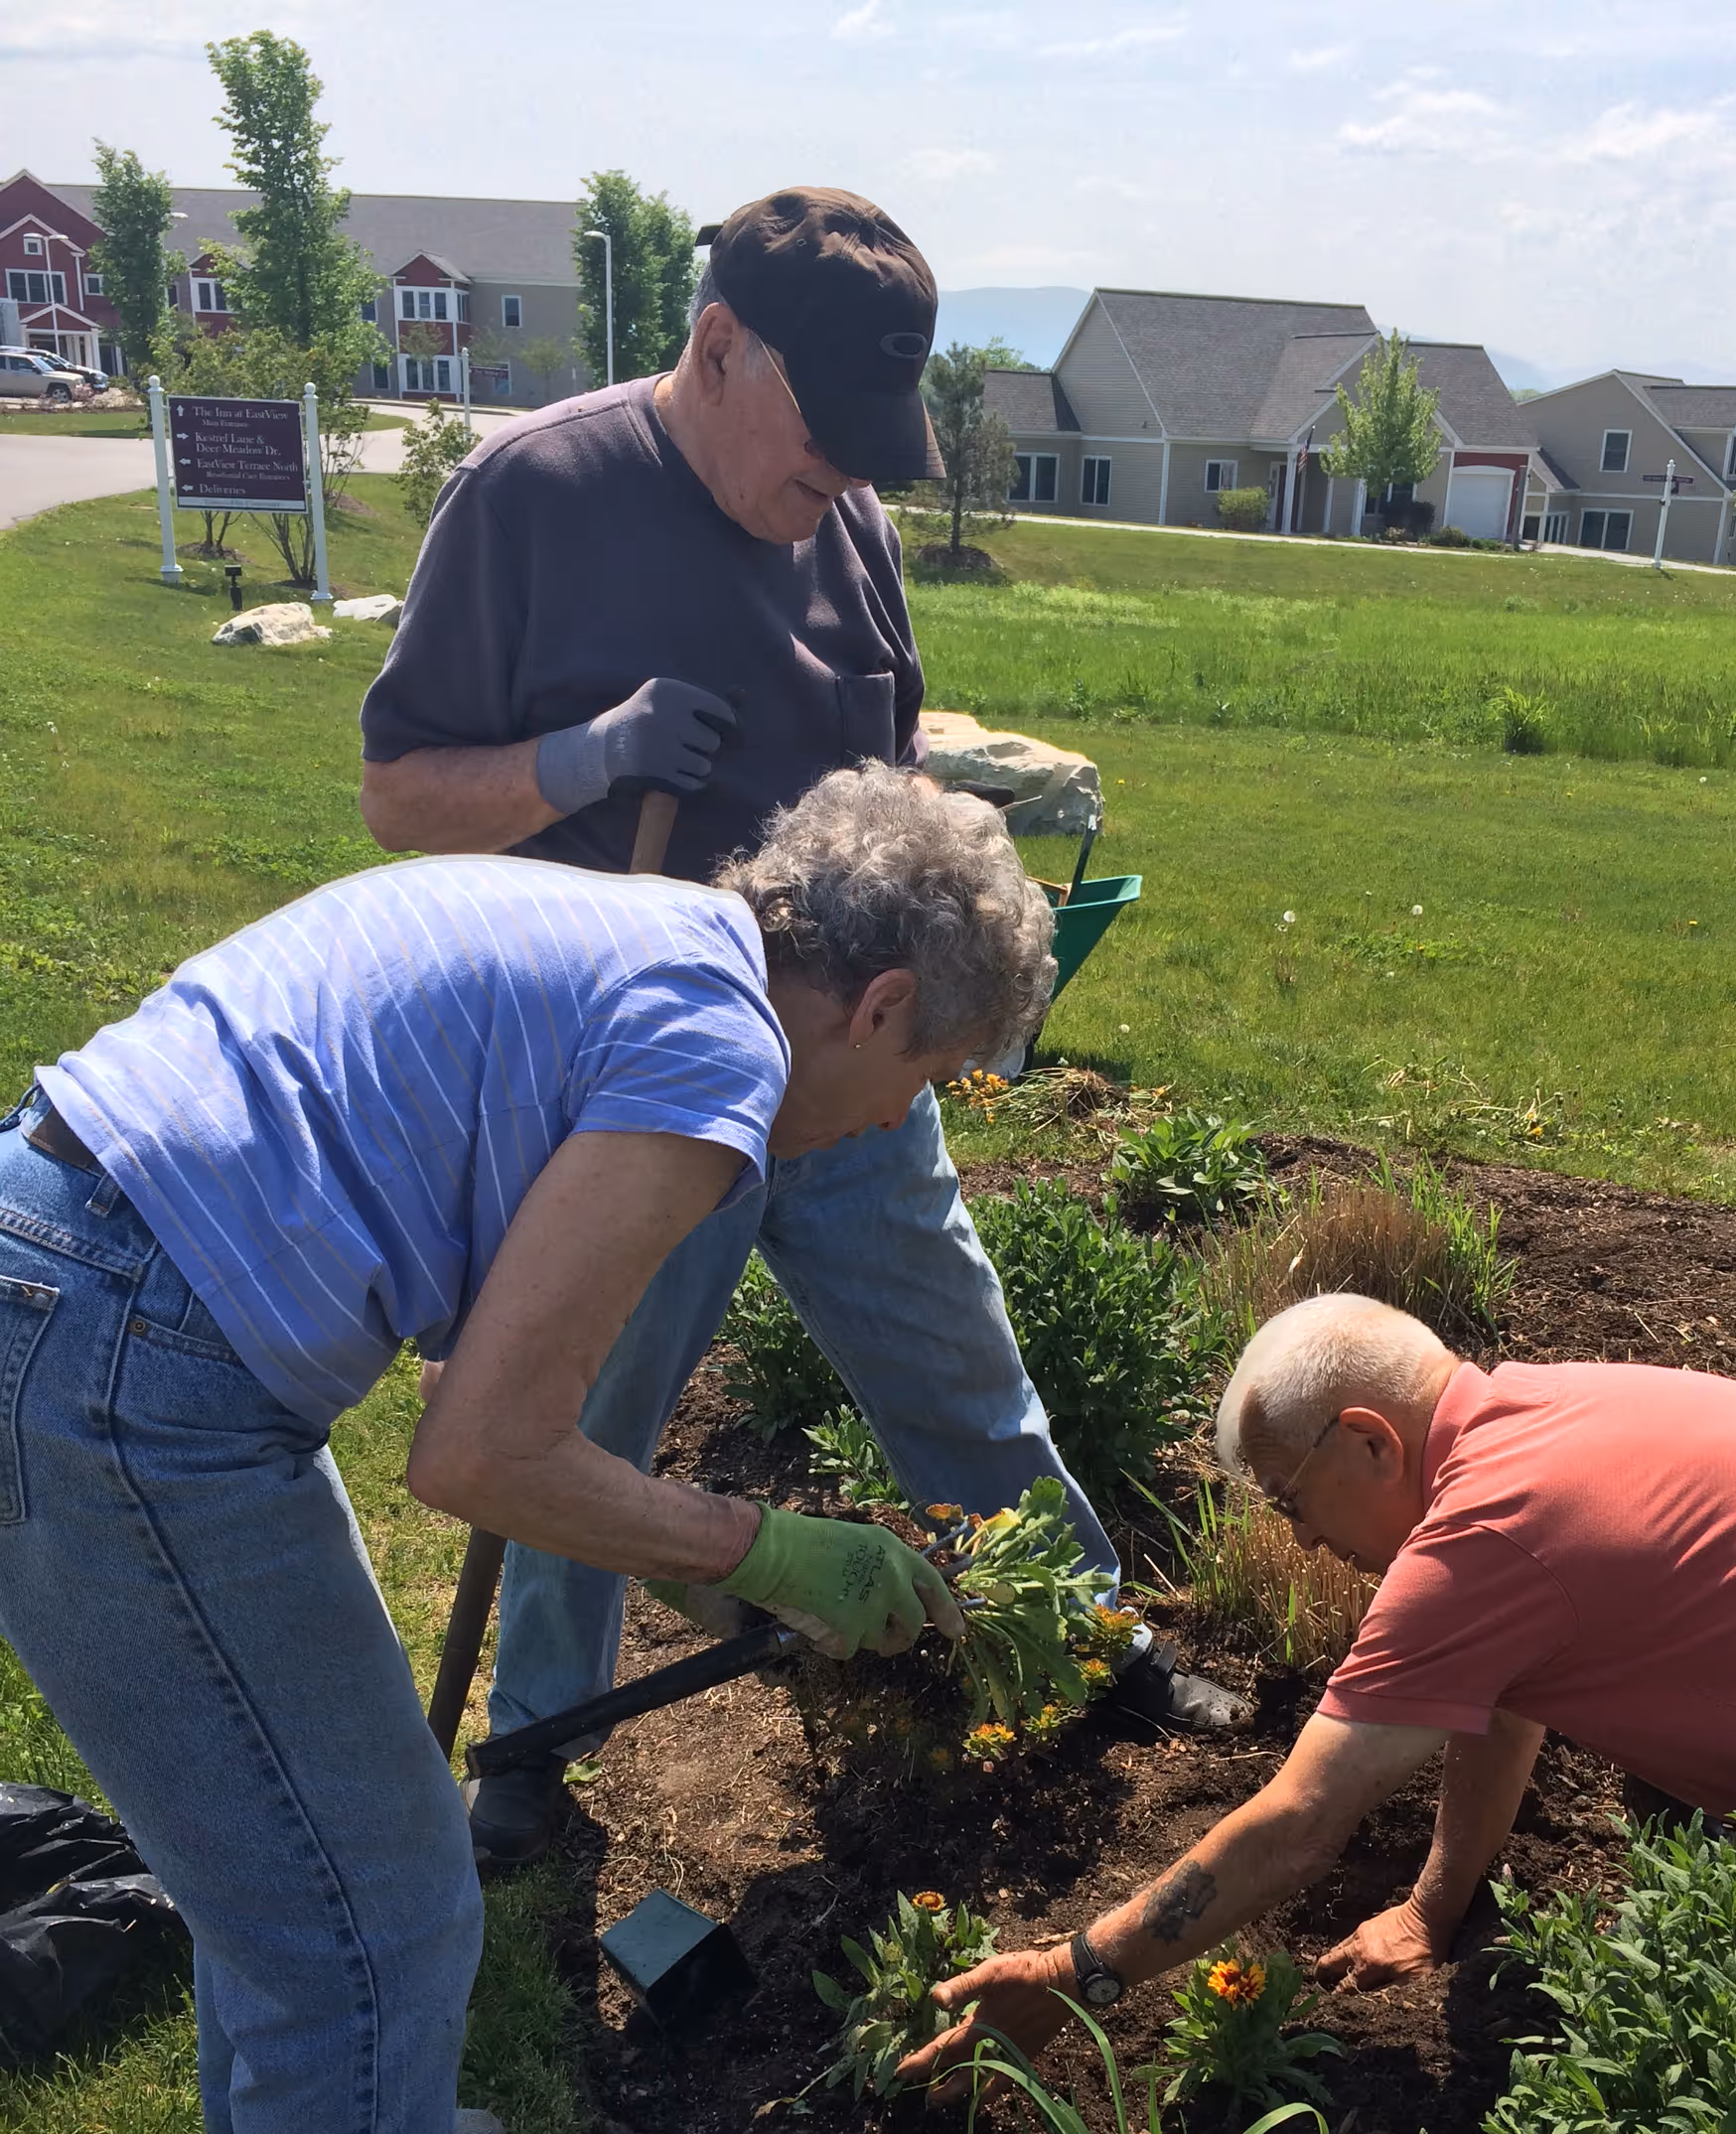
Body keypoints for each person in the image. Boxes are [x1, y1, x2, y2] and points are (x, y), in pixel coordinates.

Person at [0, 766, 1048, 2134]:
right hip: (125, 1373)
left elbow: (494, 1390)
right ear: (873, 1003)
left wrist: (727, 1573)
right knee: (383, 1908)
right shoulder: (717, 1055)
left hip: (79, 1284)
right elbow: (478, 1455)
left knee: (296, 1847)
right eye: (922, 1077)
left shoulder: (644, 949)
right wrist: (776, 1543)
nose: (889, 1124)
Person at [359, 183, 1230, 1870]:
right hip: (637, 1083)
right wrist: (581, 761)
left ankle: (1081, 1636)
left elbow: (890, 772)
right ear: (715, 347)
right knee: (579, 1416)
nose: (836, 486)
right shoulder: (534, 497)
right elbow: (399, 791)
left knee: (961, 1366)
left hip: (845, 1062)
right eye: (819, 443)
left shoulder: (853, 526)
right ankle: (533, 1745)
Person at [899, 1292, 1736, 2087]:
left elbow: (1300, 1820)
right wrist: (1435, 1905)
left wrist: (1079, 1971)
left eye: (1292, 1497)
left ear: (1372, 1440)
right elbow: (1510, 1691)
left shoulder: (1488, 1531)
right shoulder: (1548, 1406)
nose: (1297, 1537)